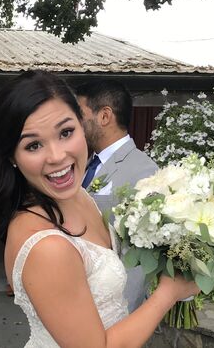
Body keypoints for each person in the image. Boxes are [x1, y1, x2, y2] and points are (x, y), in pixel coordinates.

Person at [0, 70, 198, 347]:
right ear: (12, 156)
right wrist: (168, 293)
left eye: (66, 132)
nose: (57, 156)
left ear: (82, 126)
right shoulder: (47, 247)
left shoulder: (80, 196)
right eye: (33, 145)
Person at [75, 79, 159, 313]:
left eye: (80, 115)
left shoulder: (144, 171)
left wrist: (120, 314)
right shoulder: (85, 165)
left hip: (111, 307)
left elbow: (141, 257)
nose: (74, 123)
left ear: (104, 116)